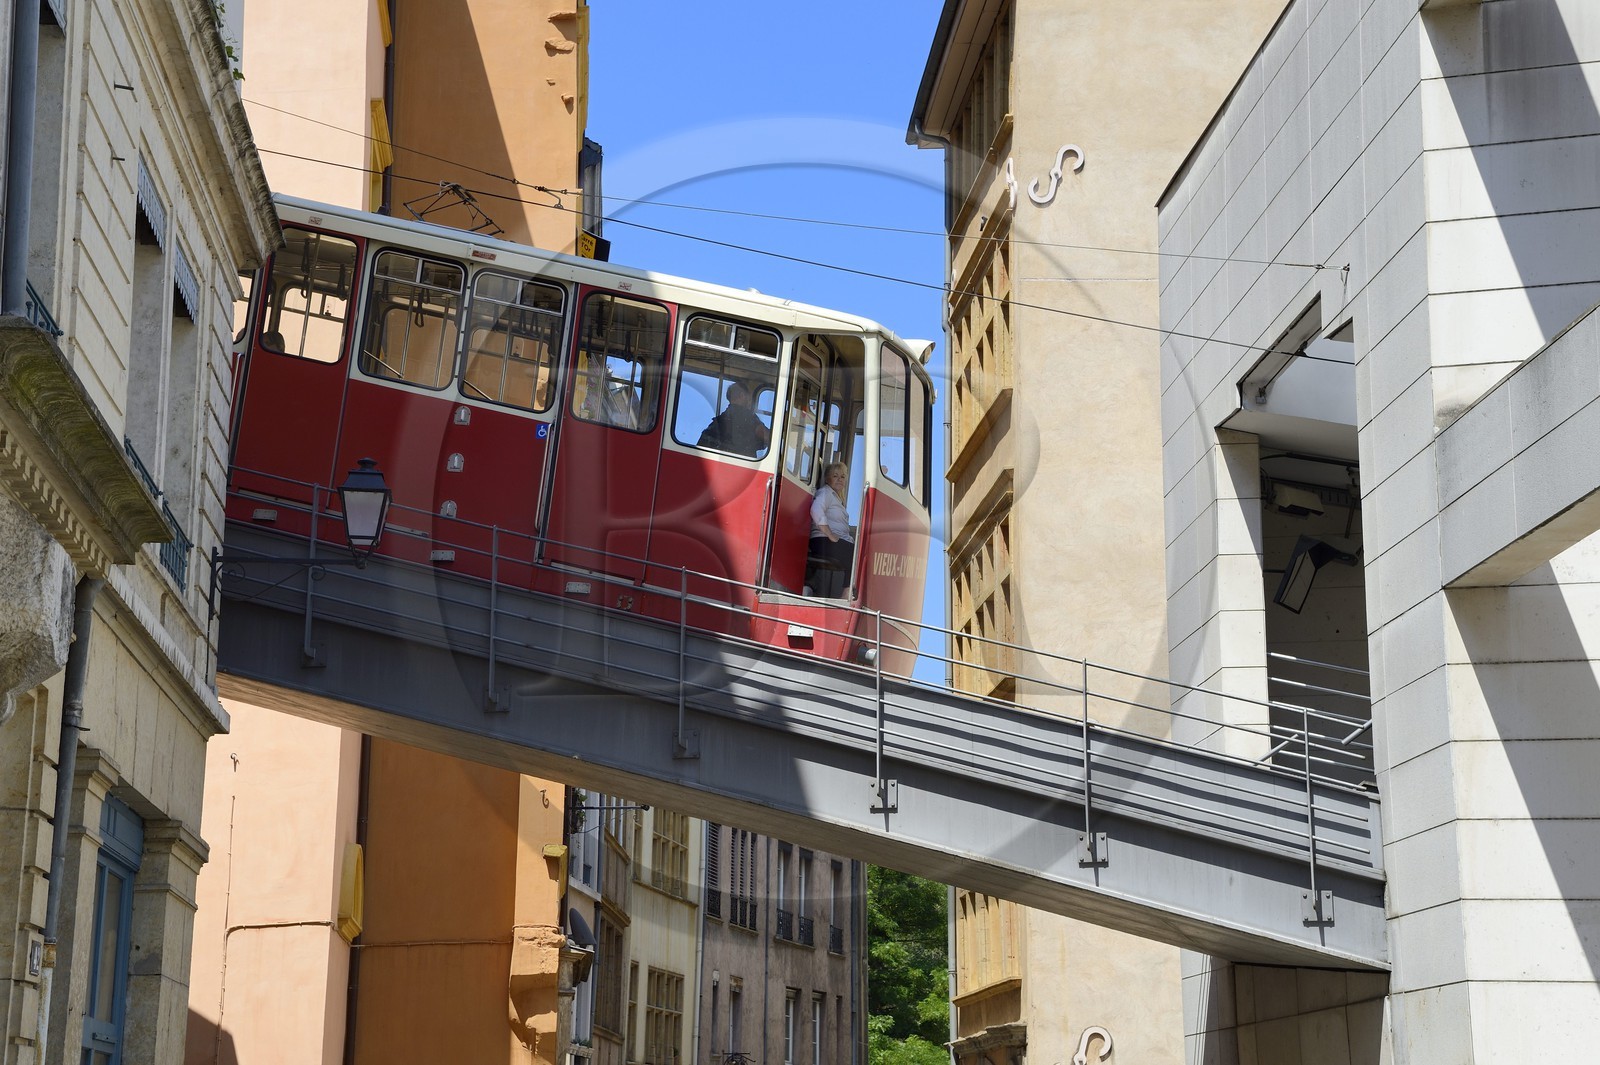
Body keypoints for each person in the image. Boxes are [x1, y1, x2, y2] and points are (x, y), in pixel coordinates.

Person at [807, 462, 854, 597]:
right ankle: (846, 595)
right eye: (835, 476)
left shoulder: (837, 499)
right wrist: (830, 534)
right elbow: (815, 510)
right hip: (822, 540)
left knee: (857, 553)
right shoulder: (826, 492)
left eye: (843, 477)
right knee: (855, 555)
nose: (840, 479)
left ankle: (847, 592)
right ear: (827, 479)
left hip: (828, 541)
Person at [697, 381, 768, 457]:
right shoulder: (748, 417)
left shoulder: (717, 422)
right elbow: (766, 436)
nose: (750, 401)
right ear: (742, 395)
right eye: (749, 397)